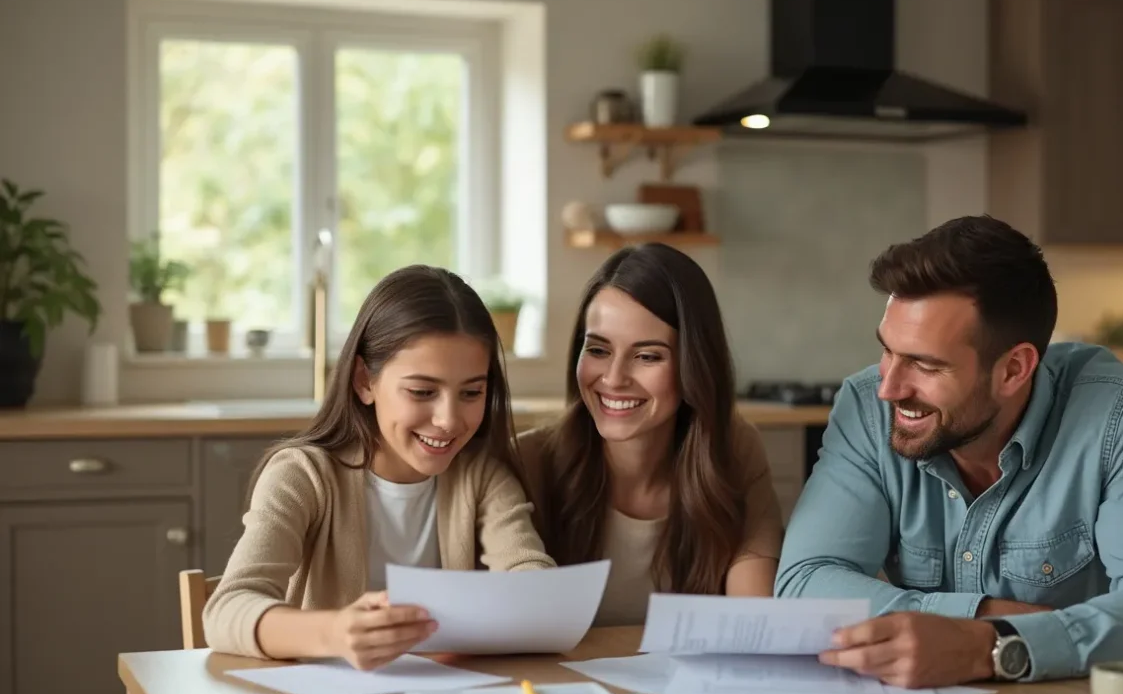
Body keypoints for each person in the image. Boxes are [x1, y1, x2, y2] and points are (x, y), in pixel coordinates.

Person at [775, 215, 1123, 688]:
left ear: (1014, 369)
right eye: (888, 351)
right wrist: (981, 619)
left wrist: (987, 648)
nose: (889, 388)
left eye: (923, 364)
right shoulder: (864, 406)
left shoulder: (1122, 413)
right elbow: (804, 583)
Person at [204, 266, 555, 669]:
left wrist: (534, 596)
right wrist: (335, 632)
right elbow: (226, 610)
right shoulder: (303, 476)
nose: (448, 419)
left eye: (472, 392)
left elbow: (531, 579)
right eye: (423, 392)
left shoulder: (482, 477)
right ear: (364, 381)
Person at [518, 243, 783, 626]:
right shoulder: (529, 462)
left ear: (695, 364)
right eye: (598, 349)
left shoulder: (734, 450)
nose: (613, 379)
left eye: (648, 356)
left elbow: (752, 622)